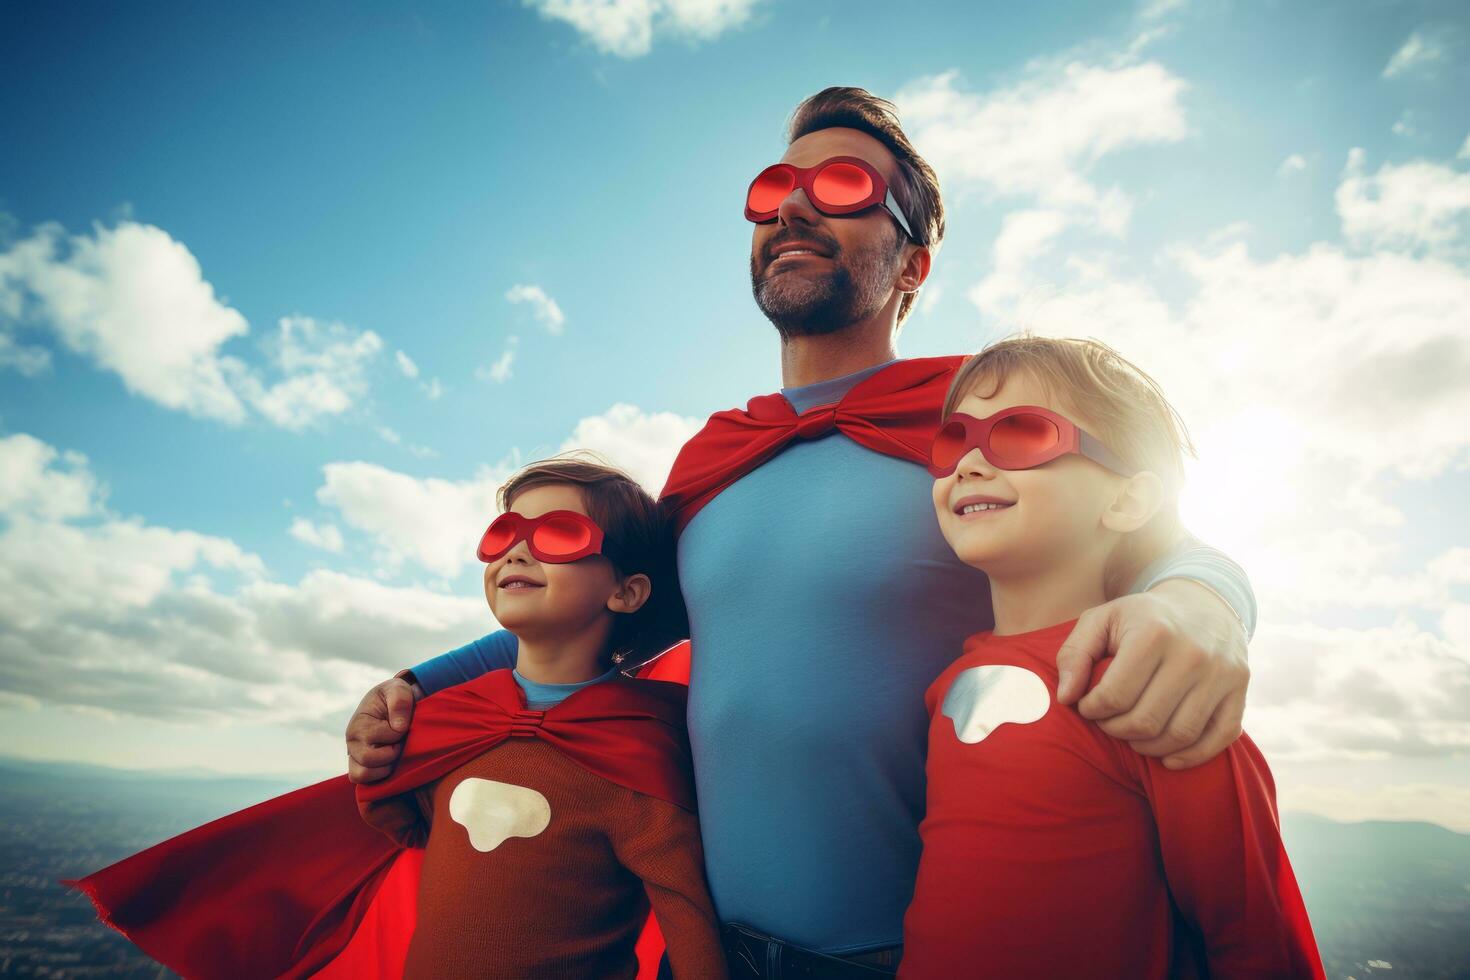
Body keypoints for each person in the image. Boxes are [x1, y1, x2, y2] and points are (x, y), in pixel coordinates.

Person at [347, 88, 1258, 977]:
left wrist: (1203, 605)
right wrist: (415, 685)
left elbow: (1156, 536)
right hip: (713, 947)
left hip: (909, 955)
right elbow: (607, 610)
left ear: (912, 266)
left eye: (845, 188)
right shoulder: (718, 453)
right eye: (774, 188)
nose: (793, 205)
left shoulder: (971, 427)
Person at [70, 457, 726, 980]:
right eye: (505, 535)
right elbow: (393, 806)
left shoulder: (641, 747)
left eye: (557, 535)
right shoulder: (455, 717)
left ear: (627, 590)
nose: (516, 554)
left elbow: (686, 914)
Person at [899, 337, 1323, 978]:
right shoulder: (946, 684)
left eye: (1022, 434)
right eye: (955, 441)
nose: (970, 463)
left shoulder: (1152, 684)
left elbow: (1256, 940)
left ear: (1126, 500)